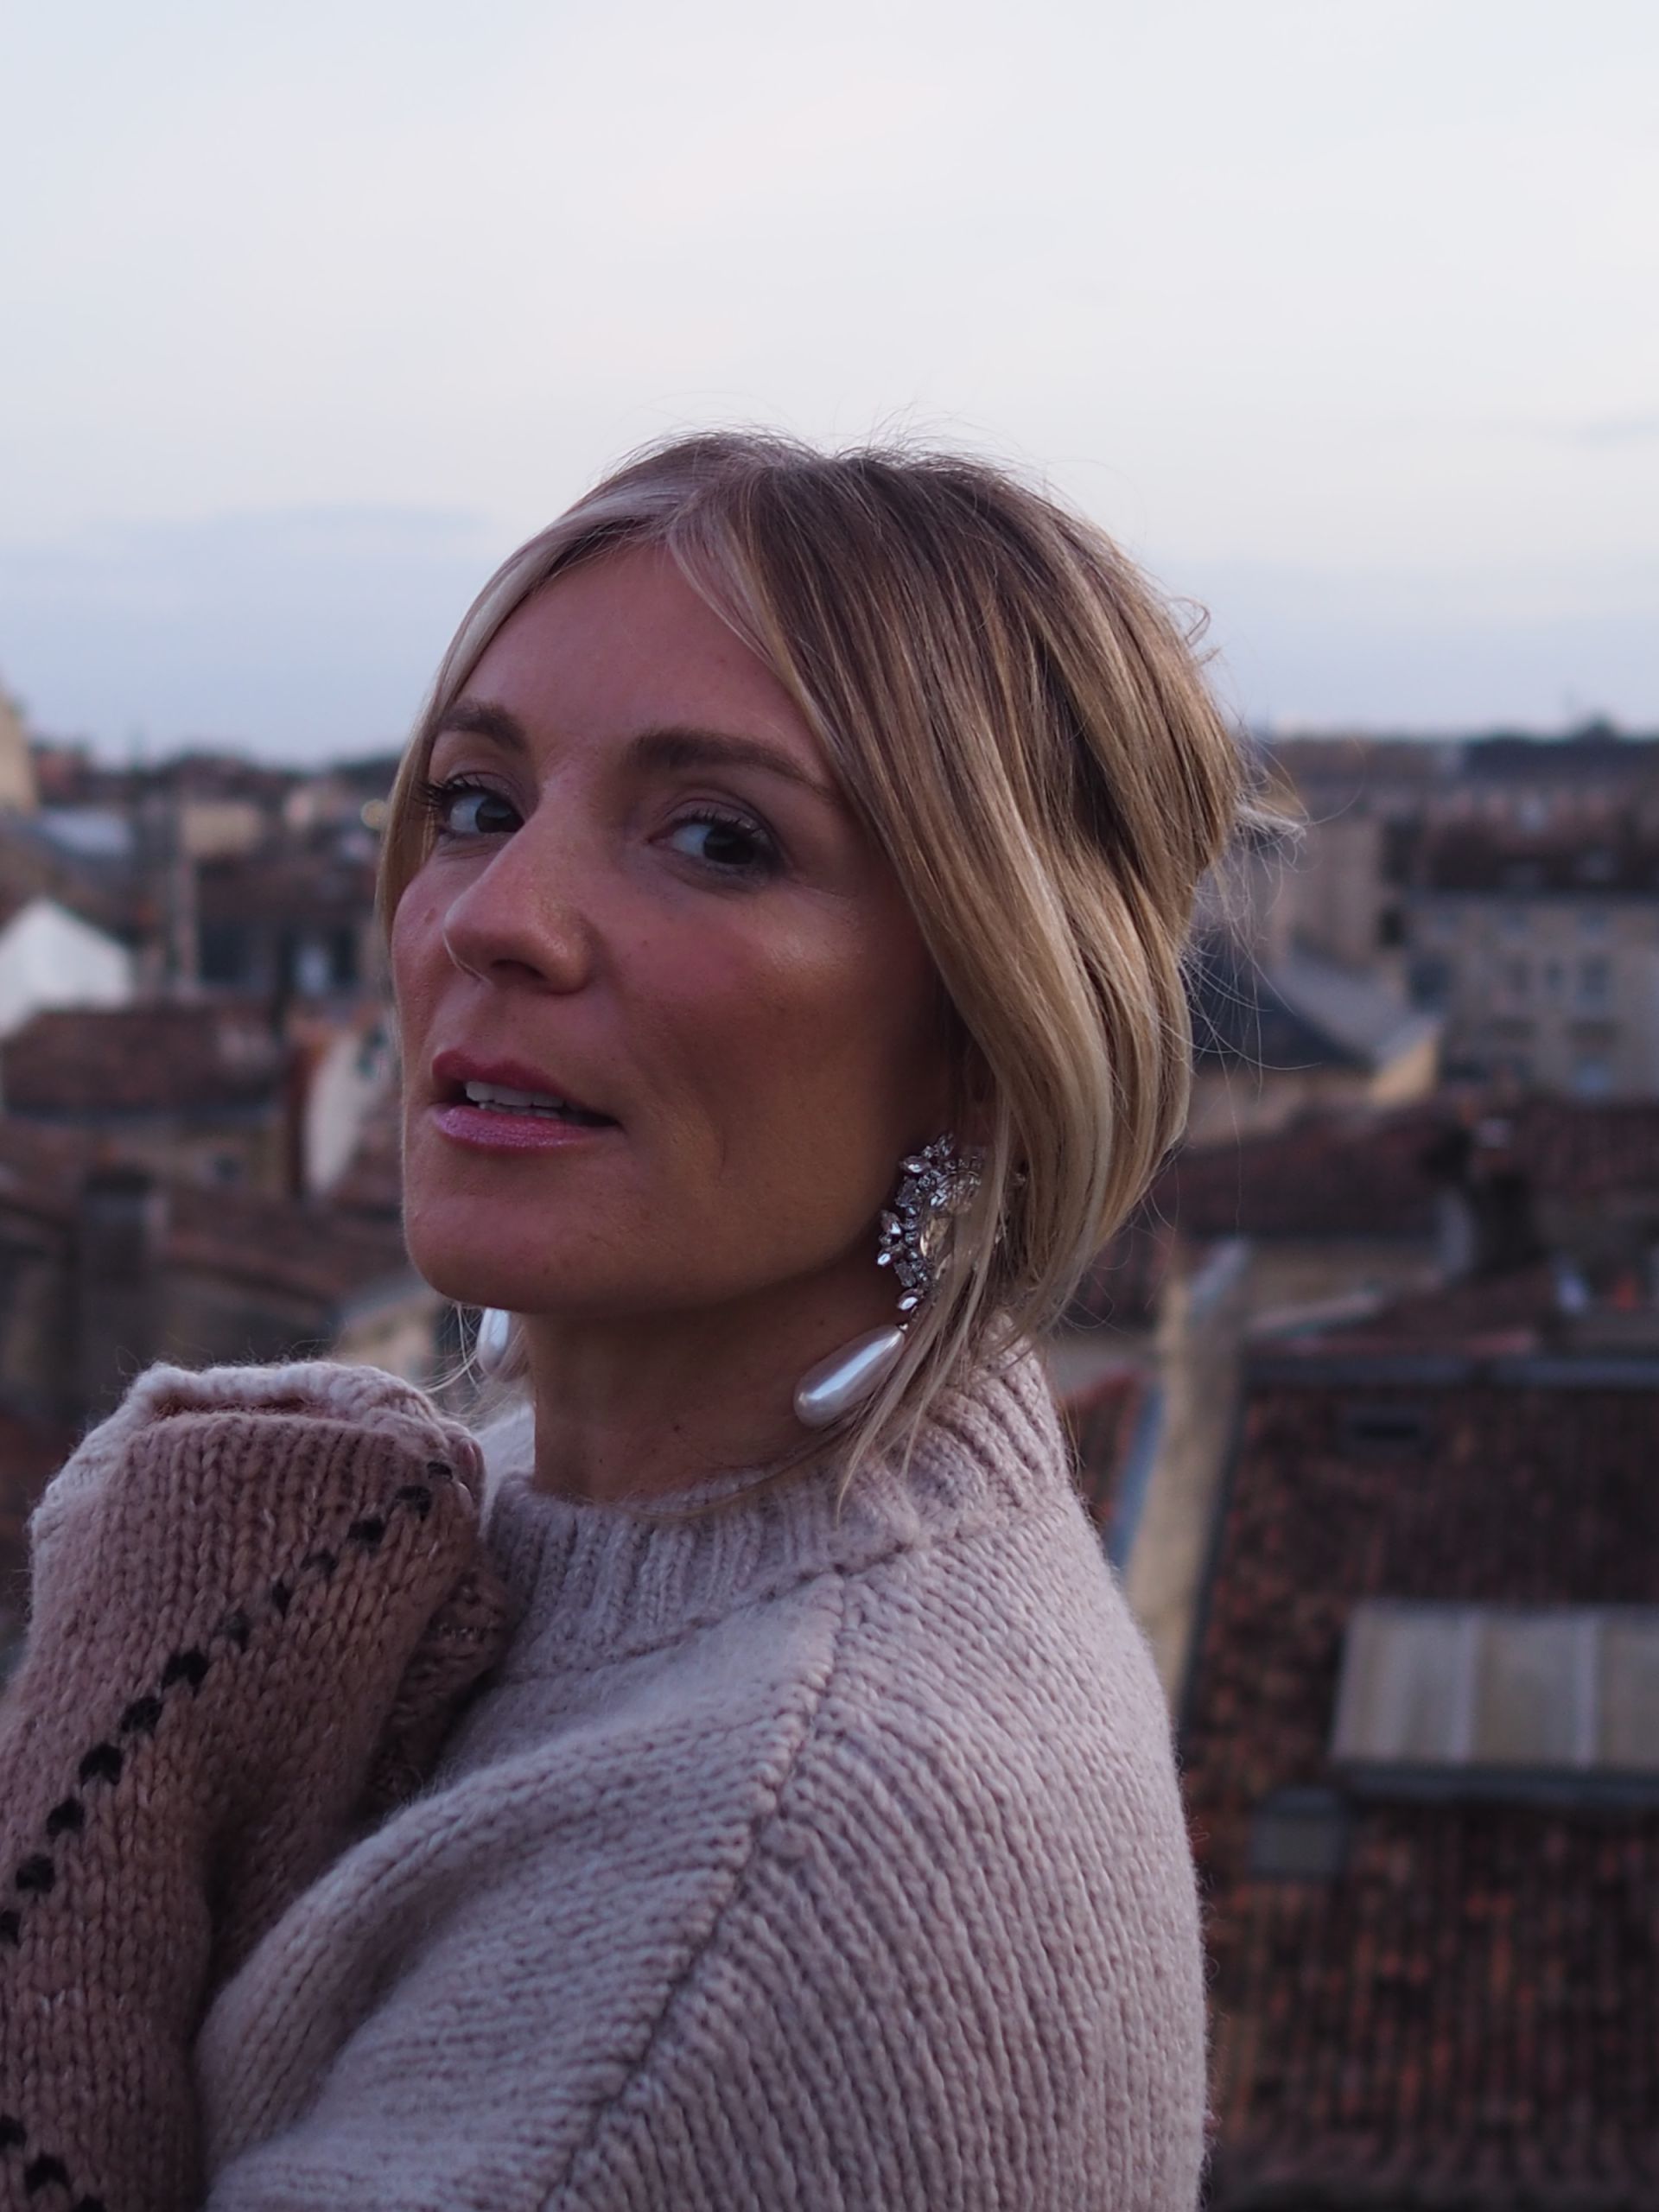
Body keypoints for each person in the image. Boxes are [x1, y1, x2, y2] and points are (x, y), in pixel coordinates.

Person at [0, 431, 1253, 2210]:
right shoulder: (582, 1525)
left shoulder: (779, 1874)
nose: (494, 918)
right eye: (474, 802)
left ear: (987, 1038)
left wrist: (99, 1777)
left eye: (718, 838)